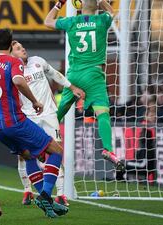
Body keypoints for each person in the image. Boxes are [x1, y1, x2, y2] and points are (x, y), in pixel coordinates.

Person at [0, 28, 68, 218]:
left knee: (28, 157)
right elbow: (19, 81)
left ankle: (47, 201)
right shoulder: (13, 62)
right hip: (15, 121)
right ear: (10, 43)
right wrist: (35, 100)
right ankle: (46, 194)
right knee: (56, 151)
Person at [44, 0, 125, 171]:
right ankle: (108, 149)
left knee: (59, 112)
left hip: (74, 75)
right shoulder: (102, 20)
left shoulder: (71, 22)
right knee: (103, 113)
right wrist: (102, 2)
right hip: (94, 75)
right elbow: (112, 12)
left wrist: (59, 4)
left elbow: (47, 21)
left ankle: (41, 141)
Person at [11, 40, 85, 206]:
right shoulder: (12, 71)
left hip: (49, 114)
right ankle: (27, 190)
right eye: (17, 48)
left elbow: (54, 75)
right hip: (28, 117)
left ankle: (60, 193)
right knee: (25, 156)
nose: (22, 49)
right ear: (11, 54)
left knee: (56, 150)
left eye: (22, 46)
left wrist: (72, 87)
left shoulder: (38, 61)